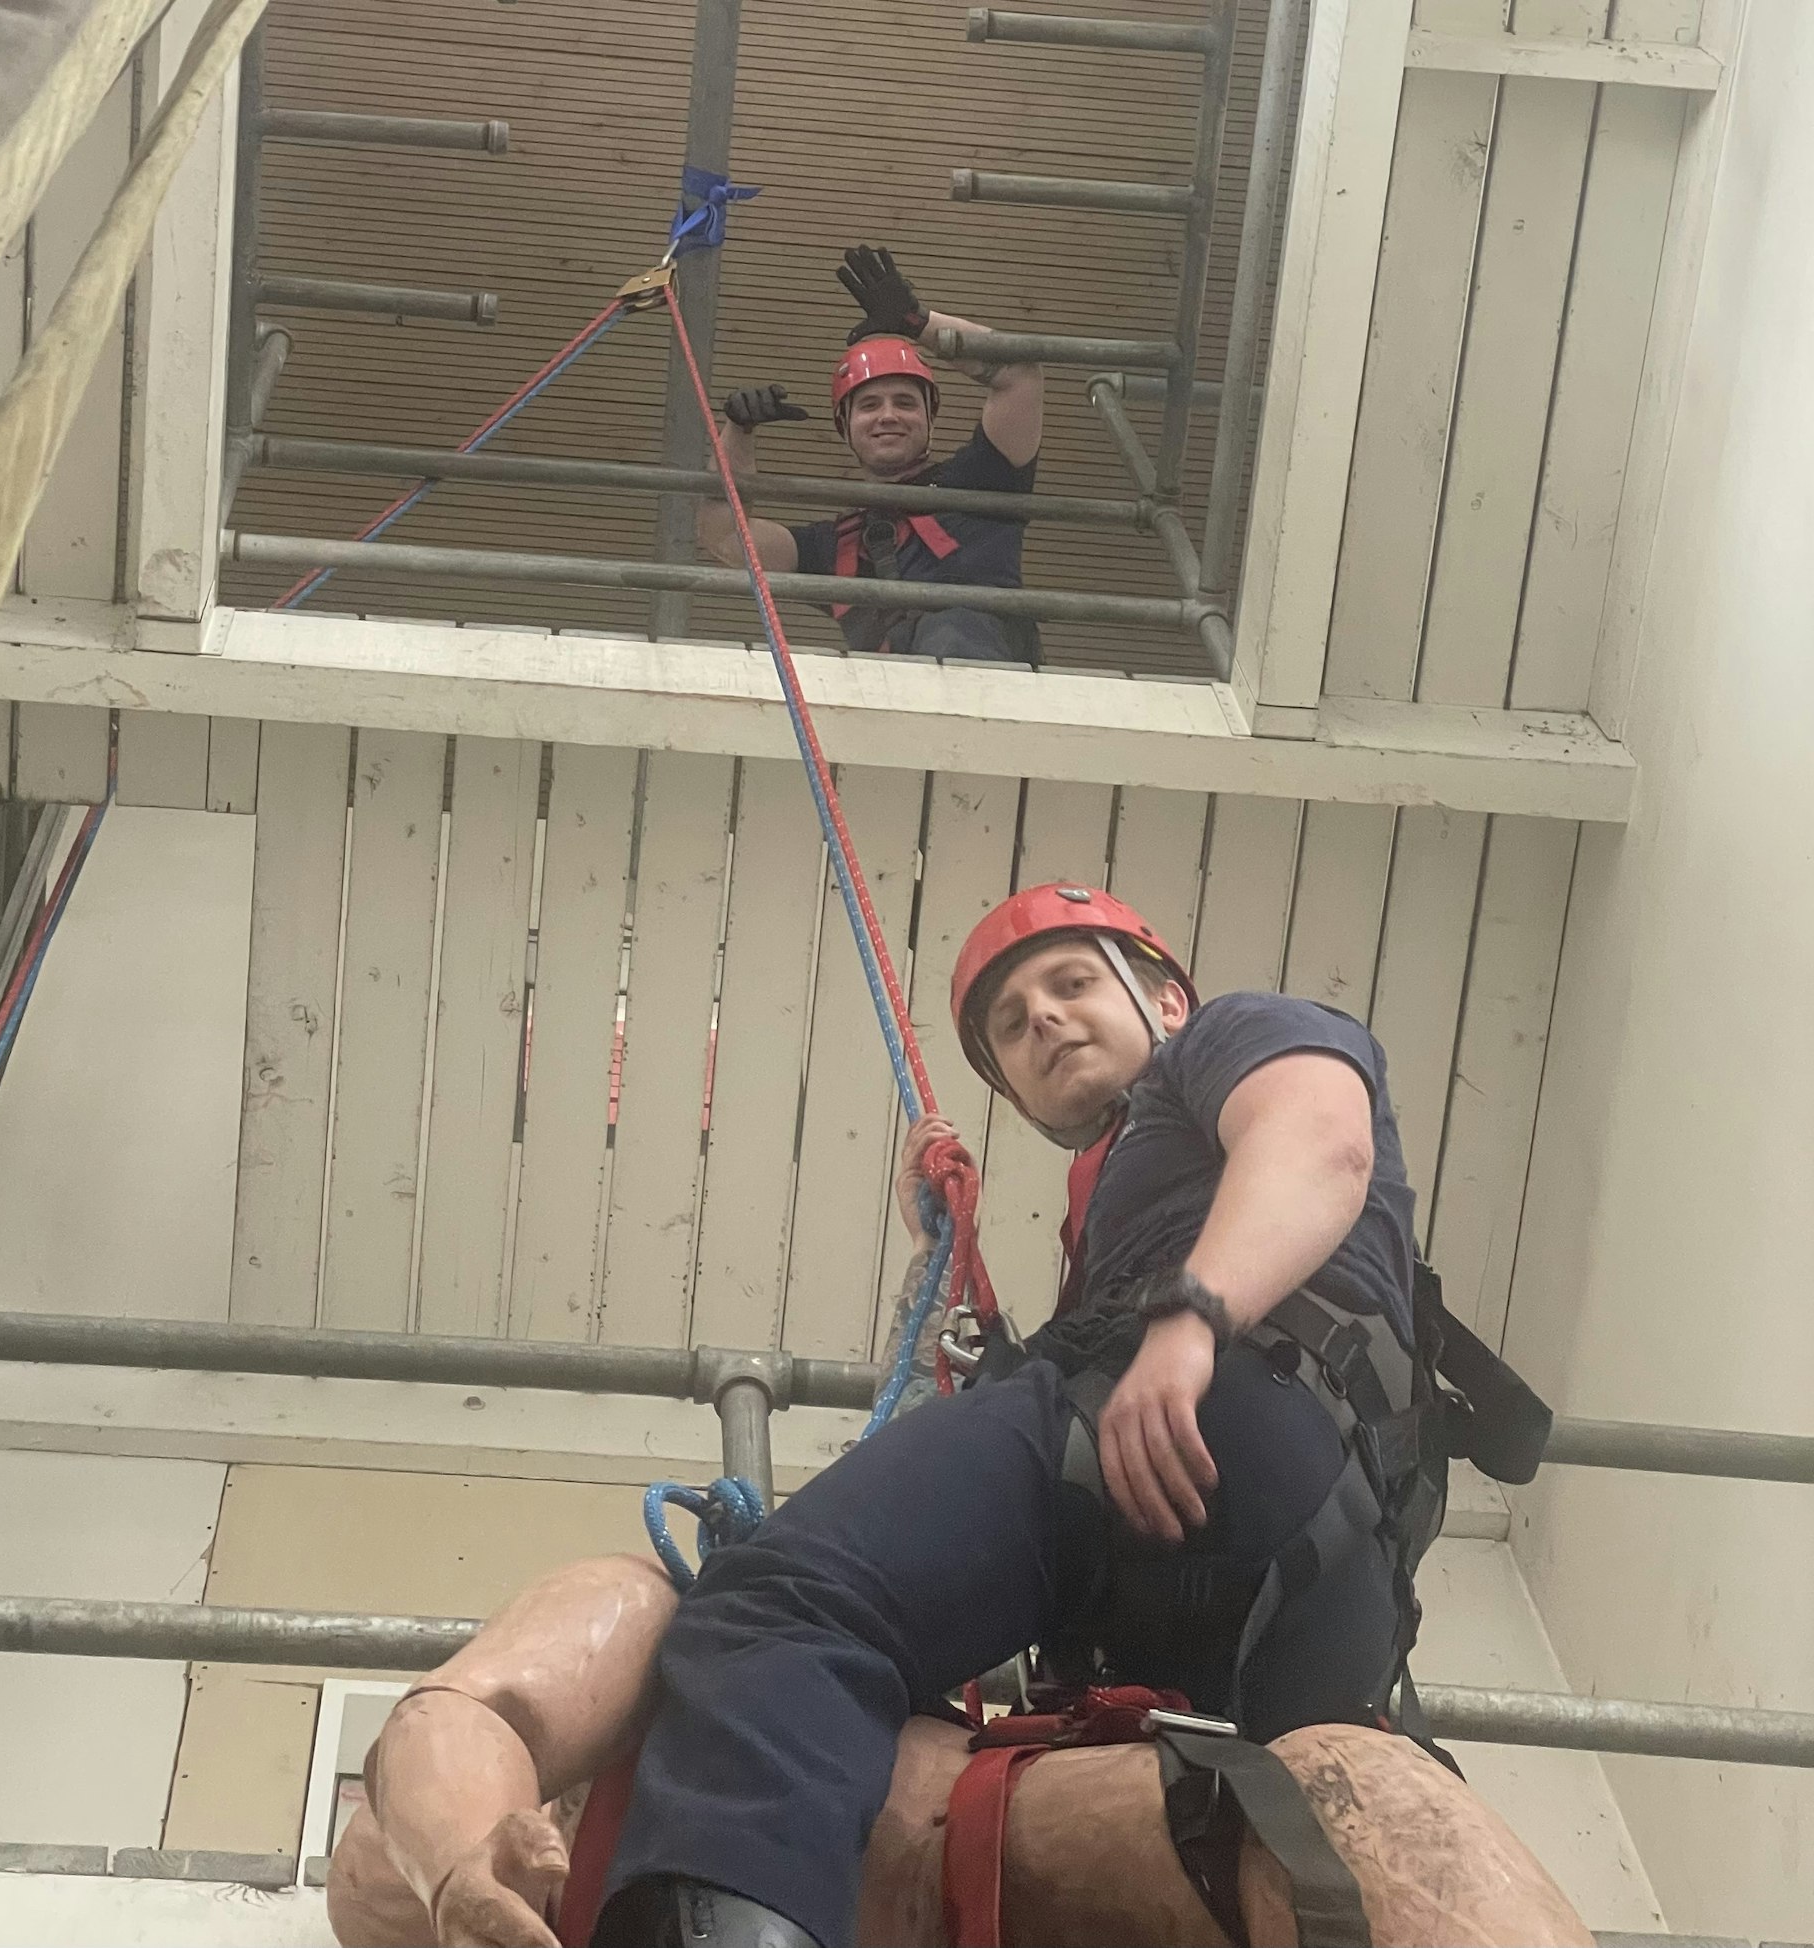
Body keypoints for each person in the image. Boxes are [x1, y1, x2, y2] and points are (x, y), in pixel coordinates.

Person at [559, 881, 1492, 1948]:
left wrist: (1187, 1324)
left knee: (779, 1605)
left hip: (1225, 1416)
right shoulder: (1112, 1224)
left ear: (1170, 1003)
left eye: (1072, 983)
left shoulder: (1238, 1033)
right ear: (1013, 1091)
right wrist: (960, 1284)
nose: (1041, 1018)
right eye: (1010, 1024)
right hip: (1314, 1583)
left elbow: (1321, 1142)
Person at [329, 1552, 1594, 1948]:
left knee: (1352, 1803)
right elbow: (452, 1728)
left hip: (1002, 1849)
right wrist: (455, 1864)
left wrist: (458, 1855)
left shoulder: (661, 1624)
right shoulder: (422, 1864)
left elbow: (466, 1715)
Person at [696, 245, 1045, 665]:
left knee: (953, 631)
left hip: (982, 684)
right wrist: (738, 431)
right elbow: (725, 539)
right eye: (869, 405)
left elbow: (1019, 371)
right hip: (889, 704)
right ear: (846, 427)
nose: (888, 416)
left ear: (929, 420)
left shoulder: (980, 481)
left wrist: (919, 323)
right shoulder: (834, 545)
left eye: (905, 402)